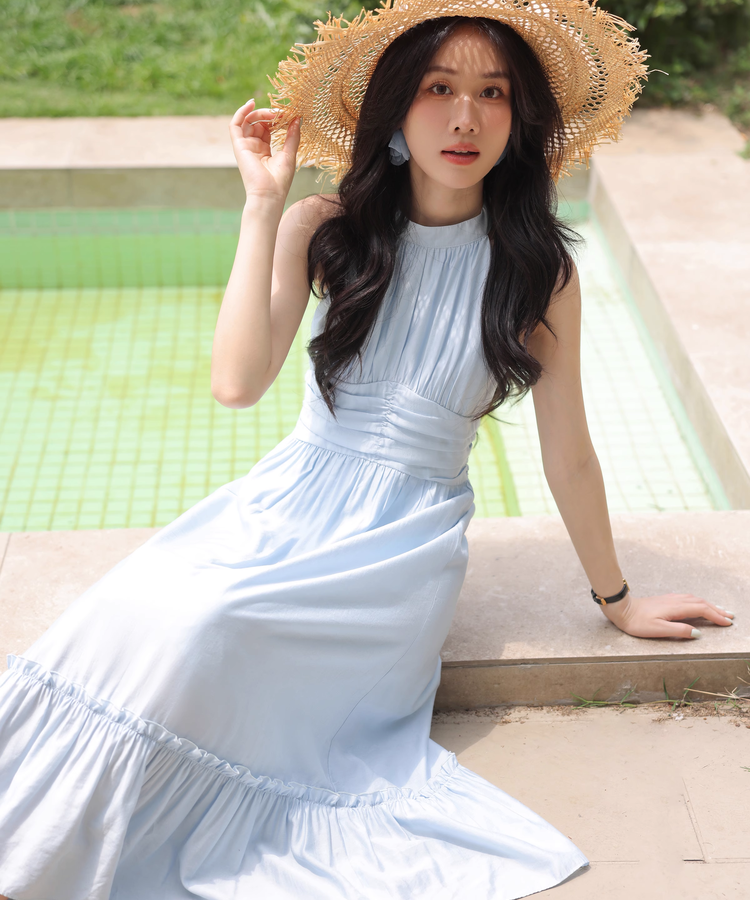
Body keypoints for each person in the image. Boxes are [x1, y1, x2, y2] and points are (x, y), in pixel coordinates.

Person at [0, 2, 736, 899]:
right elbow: (235, 382)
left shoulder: (538, 270)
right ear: (394, 109)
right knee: (125, 615)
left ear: (520, 119)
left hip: (399, 544)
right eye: (439, 88)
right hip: (285, 500)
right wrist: (261, 206)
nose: (465, 118)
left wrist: (616, 600)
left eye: (493, 94)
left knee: (203, 627)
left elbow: (569, 452)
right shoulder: (326, 226)